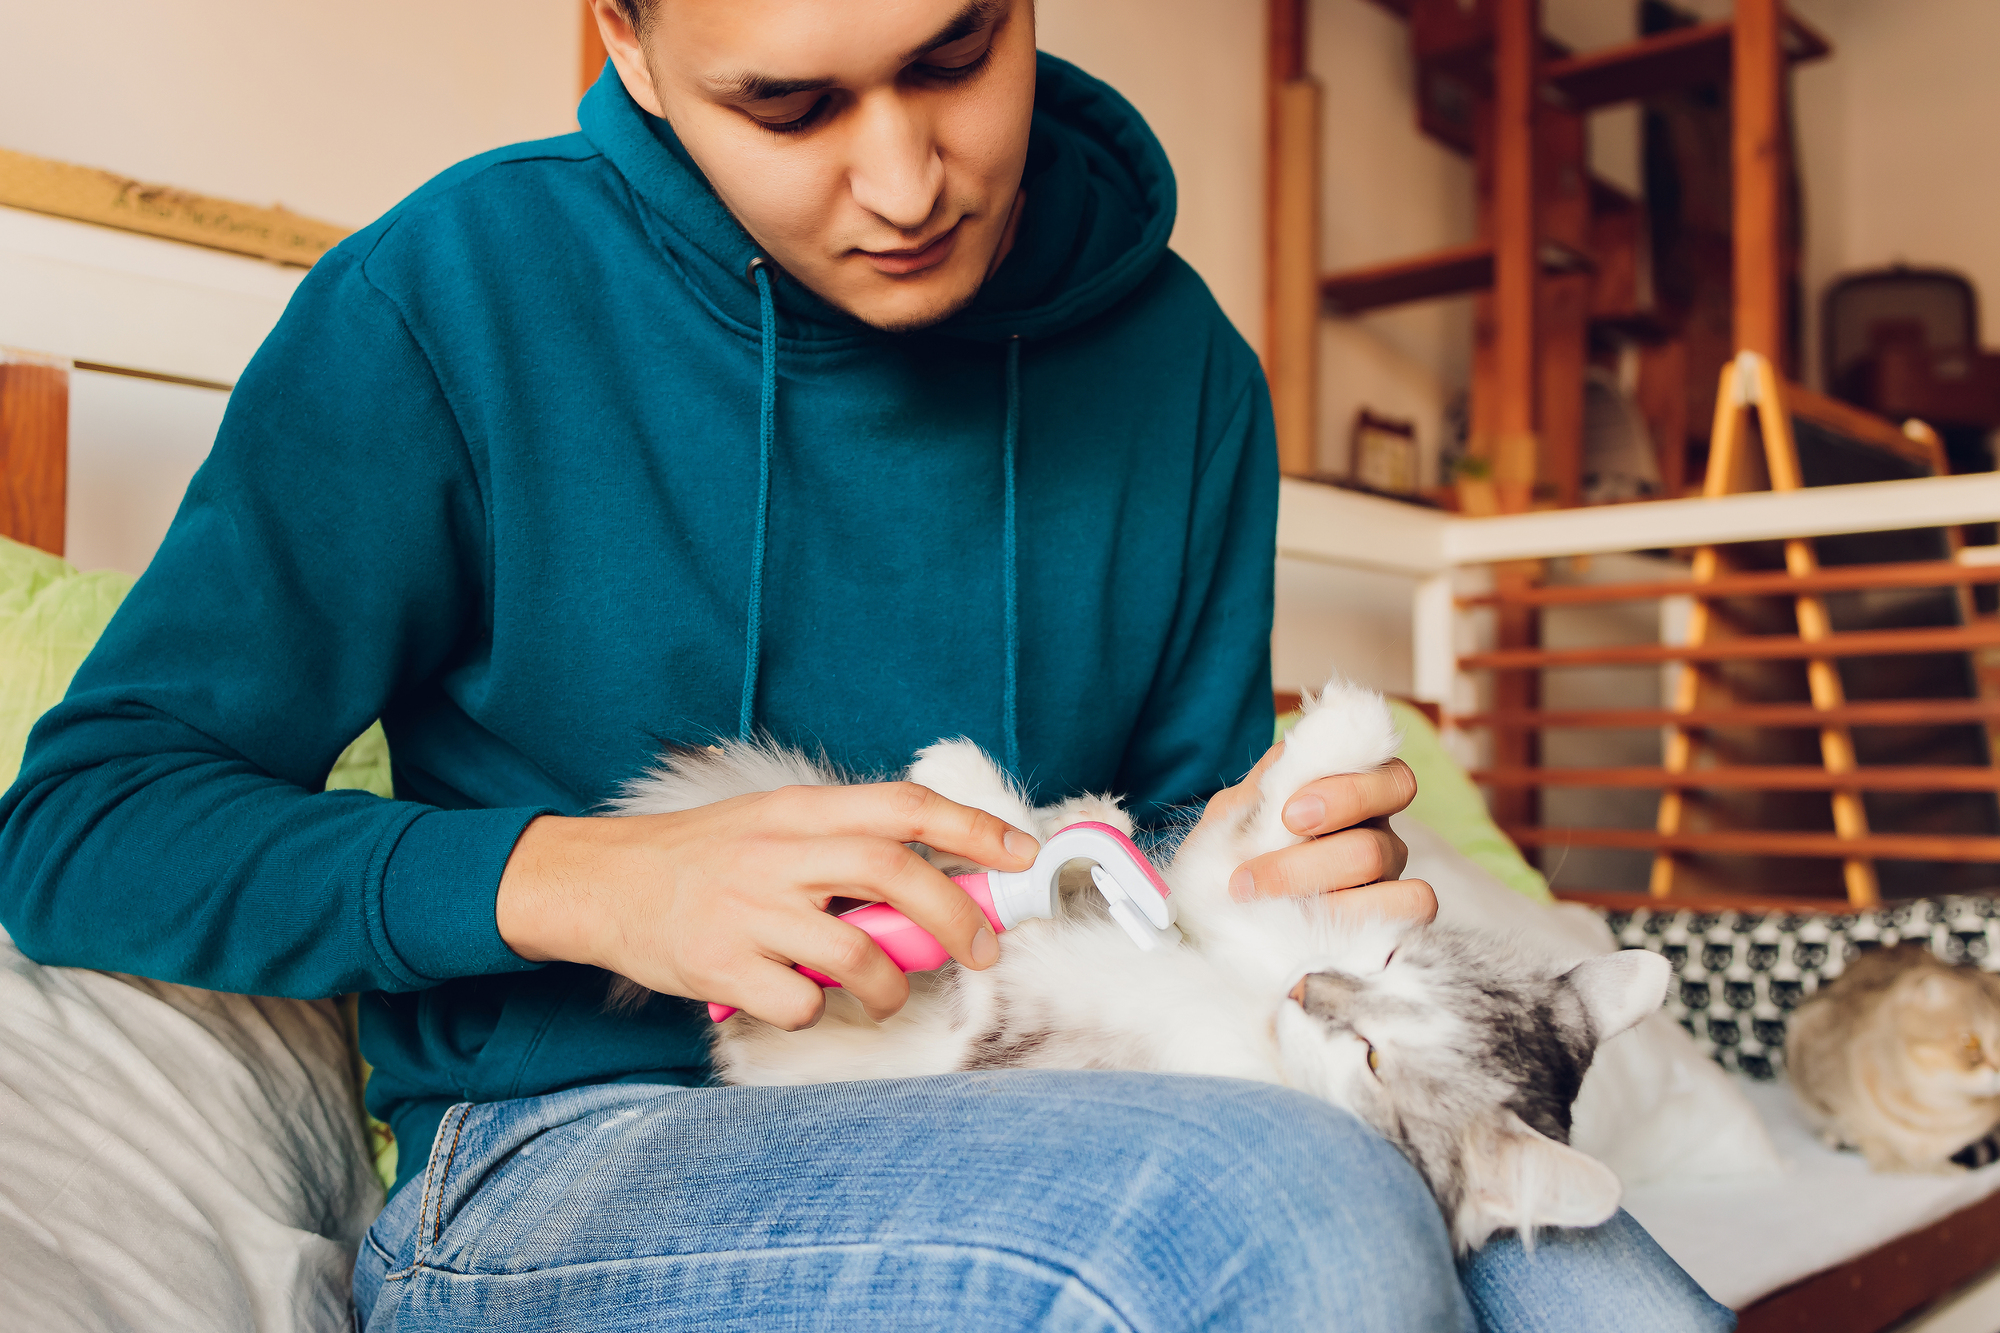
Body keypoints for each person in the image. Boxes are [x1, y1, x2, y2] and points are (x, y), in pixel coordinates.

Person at [0, 0, 1732, 1327]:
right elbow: (82, 821)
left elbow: (1186, 820)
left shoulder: (1188, 371)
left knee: (1602, 1286)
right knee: (1288, 1218)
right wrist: (578, 880)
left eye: (957, 54)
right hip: (568, 1158)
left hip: (1088, 1068)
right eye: (792, 103)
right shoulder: (452, 298)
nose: (905, 182)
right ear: (629, 37)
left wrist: (1265, 865)